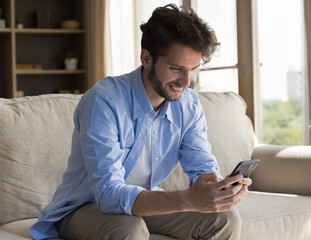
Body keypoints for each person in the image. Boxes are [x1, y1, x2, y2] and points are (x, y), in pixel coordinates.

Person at [30, 4, 252, 240]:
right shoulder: (103, 102)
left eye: (193, 69)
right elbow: (108, 194)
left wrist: (217, 189)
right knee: (129, 229)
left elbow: (201, 168)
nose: (186, 81)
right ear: (146, 58)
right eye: (177, 69)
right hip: (85, 207)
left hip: (144, 202)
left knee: (225, 218)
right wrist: (187, 198)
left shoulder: (188, 103)